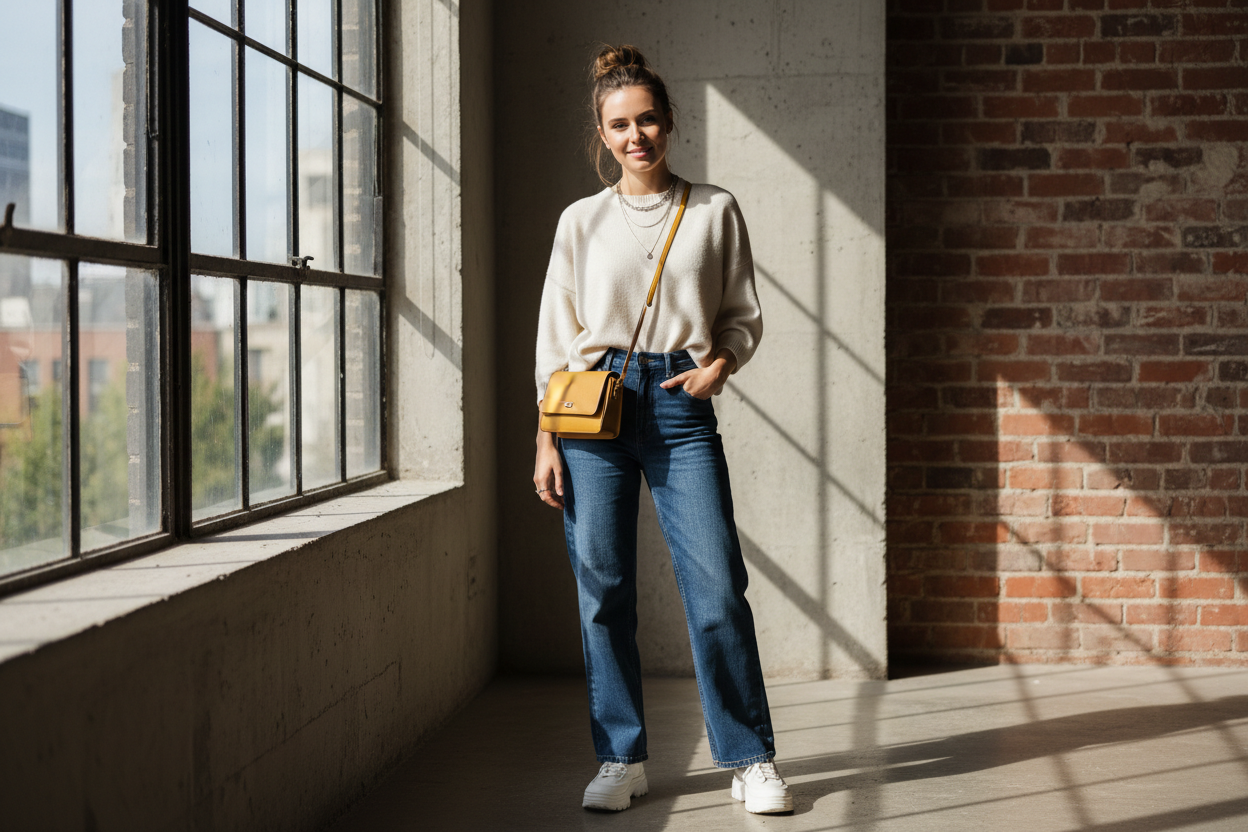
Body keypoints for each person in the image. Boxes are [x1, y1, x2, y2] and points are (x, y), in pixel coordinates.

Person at [531, 44, 791, 815]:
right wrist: (546, 439)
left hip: (680, 405)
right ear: (602, 135)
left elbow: (741, 314)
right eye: (620, 125)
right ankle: (621, 757)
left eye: (647, 119)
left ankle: (749, 759)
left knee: (716, 589)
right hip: (591, 407)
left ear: (668, 123)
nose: (635, 134)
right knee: (603, 591)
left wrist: (722, 366)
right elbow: (555, 336)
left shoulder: (713, 208)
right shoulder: (580, 221)